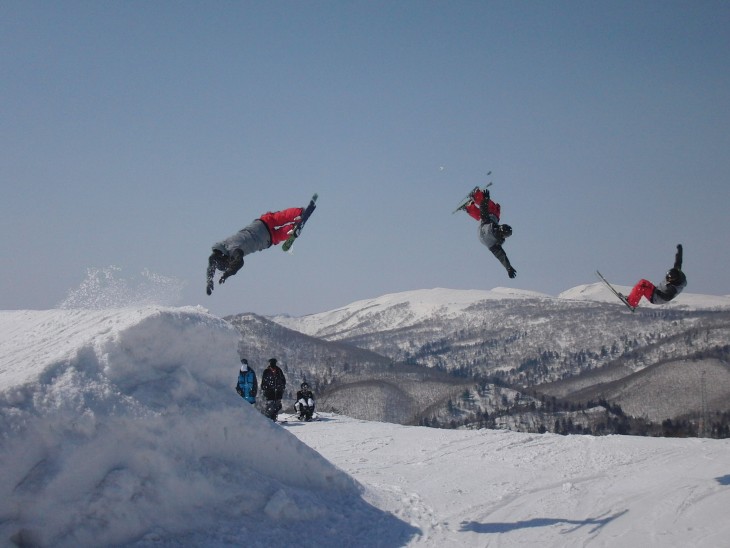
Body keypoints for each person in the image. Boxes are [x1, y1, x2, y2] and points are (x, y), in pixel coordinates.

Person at [206, 206, 304, 295]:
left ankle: (292, 229)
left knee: (278, 235)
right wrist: (209, 280)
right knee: (280, 217)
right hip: (260, 224)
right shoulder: (224, 245)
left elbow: (238, 262)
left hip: (264, 240)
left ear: (226, 259)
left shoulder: (233, 250)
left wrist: (227, 274)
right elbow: (212, 261)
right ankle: (298, 213)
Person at [463, 187, 517, 279]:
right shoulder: (496, 244)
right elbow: (501, 256)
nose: (499, 226)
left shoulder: (491, 227)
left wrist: (485, 198)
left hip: (485, 228)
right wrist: (508, 268)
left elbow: (484, 210)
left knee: (492, 209)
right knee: (485, 216)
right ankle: (469, 207)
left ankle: (476, 196)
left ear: (501, 230)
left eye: (501, 227)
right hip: (482, 236)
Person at [625, 244, 686, 308]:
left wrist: (657, 291)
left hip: (657, 298)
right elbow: (678, 261)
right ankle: (631, 299)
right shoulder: (677, 271)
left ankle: (631, 303)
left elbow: (667, 297)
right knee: (643, 282)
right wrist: (680, 249)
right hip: (657, 291)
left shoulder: (673, 288)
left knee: (642, 287)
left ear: (674, 279)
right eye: (667, 276)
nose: (667, 279)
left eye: (669, 279)